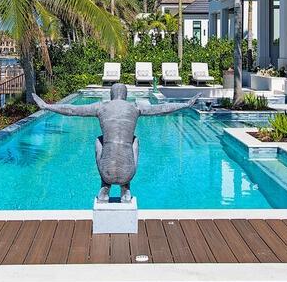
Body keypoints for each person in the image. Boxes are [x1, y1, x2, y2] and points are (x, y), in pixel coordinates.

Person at [32, 84, 199, 203]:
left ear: (111, 95)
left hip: (106, 170)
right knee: (134, 140)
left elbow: (71, 110)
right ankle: (125, 190)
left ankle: (104, 188)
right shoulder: (135, 107)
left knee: (100, 140)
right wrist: (185, 104)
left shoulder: (101, 107)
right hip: (129, 170)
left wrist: (47, 106)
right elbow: (163, 108)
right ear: (125, 95)